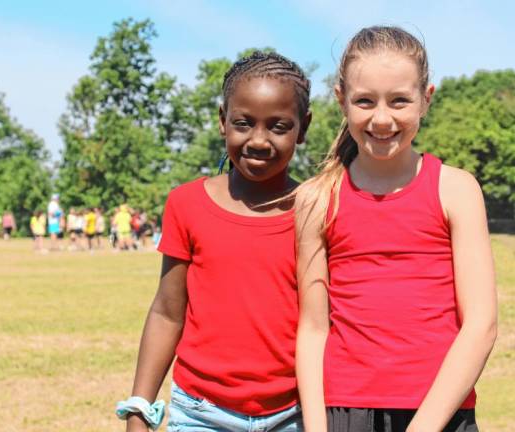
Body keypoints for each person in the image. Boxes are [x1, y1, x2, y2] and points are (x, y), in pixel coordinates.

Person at [294, 26, 497, 432]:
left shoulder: (457, 189)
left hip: (441, 412)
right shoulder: (316, 200)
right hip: (345, 413)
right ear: (341, 101)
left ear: (426, 99)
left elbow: (481, 323)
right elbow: (314, 328)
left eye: (400, 101)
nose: (382, 118)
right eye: (365, 101)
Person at [118, 51, 312, 431]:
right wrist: (139, 406)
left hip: (294, 414)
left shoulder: (317, 208)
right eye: (243, 123)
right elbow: (167, 312)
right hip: (200, 413)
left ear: (303, 128)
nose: (258, 140)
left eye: (278, 126)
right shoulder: (187, 203)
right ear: (223, 121)